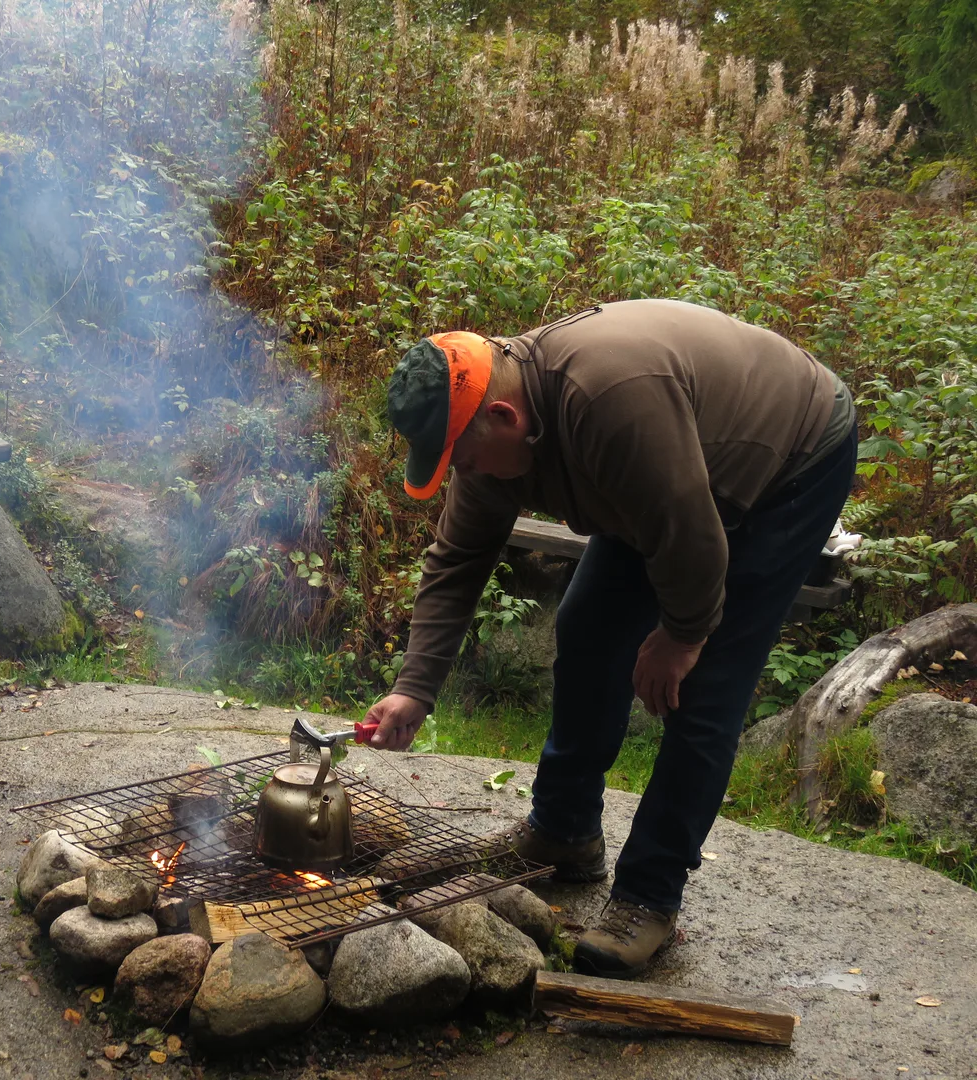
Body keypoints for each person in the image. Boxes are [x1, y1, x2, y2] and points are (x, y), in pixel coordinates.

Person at [367, 299, 857, 978]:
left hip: (791, 457)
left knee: (707, 685)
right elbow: (457, 561)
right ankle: (564, 831)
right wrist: (414, 688)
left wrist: (681, 636)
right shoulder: (493, 432)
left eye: (464, 461)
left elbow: (692, 535)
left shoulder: (610, 404)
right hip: (667, 475)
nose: (464, 475)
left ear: (505, 418)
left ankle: (649, 895)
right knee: (588, 626)